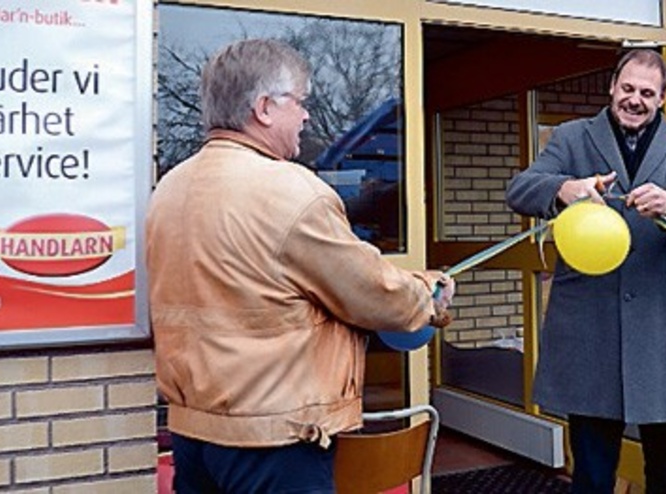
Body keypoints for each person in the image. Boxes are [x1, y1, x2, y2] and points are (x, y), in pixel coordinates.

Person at [146, 39, 454, 494]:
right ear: (265, 108)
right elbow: (371, 294)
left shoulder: (169, 189)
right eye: (301, 101)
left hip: (193, 434)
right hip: (276, 439)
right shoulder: (291, 192)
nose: (307, 115)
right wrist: (427, 296)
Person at [505, 49, 666, 493]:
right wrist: (565, 188)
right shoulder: (570, 137)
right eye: (627, 89)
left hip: (663, 331)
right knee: (592, 477)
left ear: (662, 98)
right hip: (590, 332)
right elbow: (520, 189)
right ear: (611, 88)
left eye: (647, 92)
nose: (635, 100)